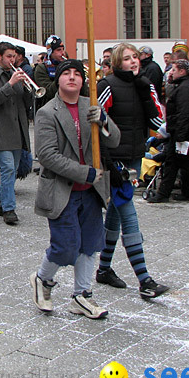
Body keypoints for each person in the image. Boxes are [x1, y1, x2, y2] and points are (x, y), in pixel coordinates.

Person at [30, 59, 120, 319]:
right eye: (66, 74)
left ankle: (82, 296)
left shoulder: (91, 105)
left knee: (90, 244)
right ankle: (42, 280)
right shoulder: (48, 112)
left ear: (83, 80)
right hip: (62, 190)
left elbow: (114, 139)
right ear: (57, 80)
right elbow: (47, 155)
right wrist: (86, 172)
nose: (72, 78)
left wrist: (103, 121)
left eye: (77, 74)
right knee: (66, 246)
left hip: (91, 192)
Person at [95, 43, 169, 298]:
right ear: (117, 62)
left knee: (116, 211)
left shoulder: (145, 84)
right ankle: (144, 279)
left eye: (135, 57)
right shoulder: (107, 85)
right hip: (115, 159)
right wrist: (105, 159)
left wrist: (146, 93)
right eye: (127, 58)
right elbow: (97, 121)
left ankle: (104, 269)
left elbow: (158, 121)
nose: (133, 62)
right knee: (127, 211)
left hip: (135, 155)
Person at [0, 41, 32, 225]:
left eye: (14, 56)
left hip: (17, 130)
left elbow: (26, 104)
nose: (13, 60)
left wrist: (27, 88)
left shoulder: (16, 74)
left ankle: (0, 204)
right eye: (9, 56)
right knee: (8, 168)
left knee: (12, 171)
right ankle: (9, 209)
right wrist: (11, 83)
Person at [147, 59, 189, 203]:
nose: (170, 73)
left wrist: (180, 135)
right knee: (183, 162)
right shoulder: (185, 86)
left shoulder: (185, 88)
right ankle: (186, 192)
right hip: (185, 130)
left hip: (184, 131)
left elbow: (184, 113)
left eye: (173, 70)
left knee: (174, 161)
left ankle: (165, 193)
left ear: (182, 71)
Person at [33, 35, 67, 109]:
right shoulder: (41, 68)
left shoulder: (67, 65)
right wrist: (63, 74)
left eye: (63, 49)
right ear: (50, 52)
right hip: (50, 107)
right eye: (59, 50)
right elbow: (48, 92)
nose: (62, 53)